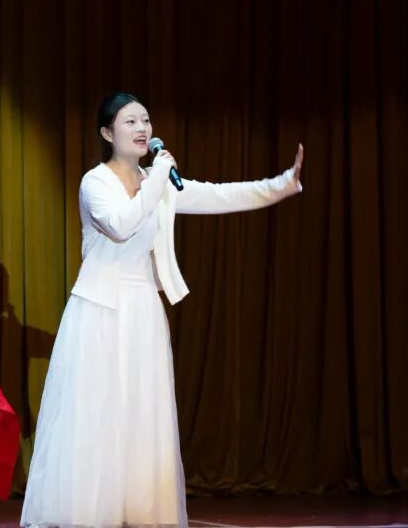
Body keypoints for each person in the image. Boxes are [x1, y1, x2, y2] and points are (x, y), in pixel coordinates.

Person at [21, 92, 303, 528]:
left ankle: (138, 510)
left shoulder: (158, 181)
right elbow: (121, 224)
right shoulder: (95, 182)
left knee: (141, 416)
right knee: (96, 413)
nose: (142, 129)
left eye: (146, 121)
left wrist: (282, 184)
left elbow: (218, 196)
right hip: (98, 309)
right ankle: (87, 512)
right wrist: (157, 180)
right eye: (130, 121)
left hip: (143, 309)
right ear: (107, 133)